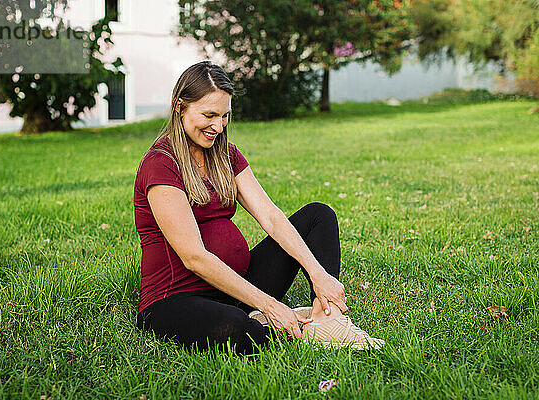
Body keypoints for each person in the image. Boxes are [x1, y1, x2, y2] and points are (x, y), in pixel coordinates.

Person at [134, 60, 383, 355]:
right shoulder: (161, 164)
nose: (218, 126)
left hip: (233, 288)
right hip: (175, 298)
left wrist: (318, 274)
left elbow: (271, 217)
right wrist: (268, 302)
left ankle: (325, 318)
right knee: (237, 330)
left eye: (225, 115)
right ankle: (277, 323)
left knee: (319, 215)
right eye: (209, 115)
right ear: (180, 107)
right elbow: (194, 257)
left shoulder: (224, 153)